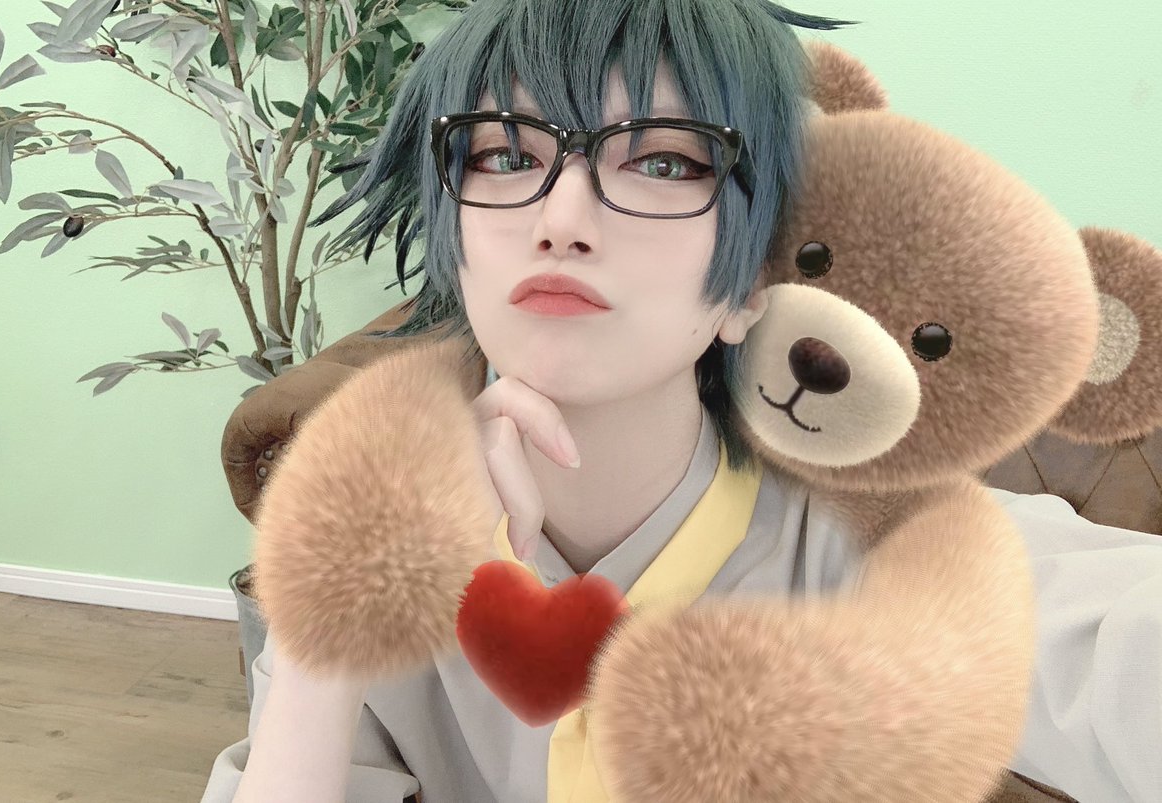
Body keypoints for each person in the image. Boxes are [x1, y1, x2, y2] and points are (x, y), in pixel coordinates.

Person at [202, 1, 1162, 801]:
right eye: (503, 154)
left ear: (752, 286)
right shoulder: (373, 531)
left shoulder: (891, 547)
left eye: (664, 162)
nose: (561, 218)